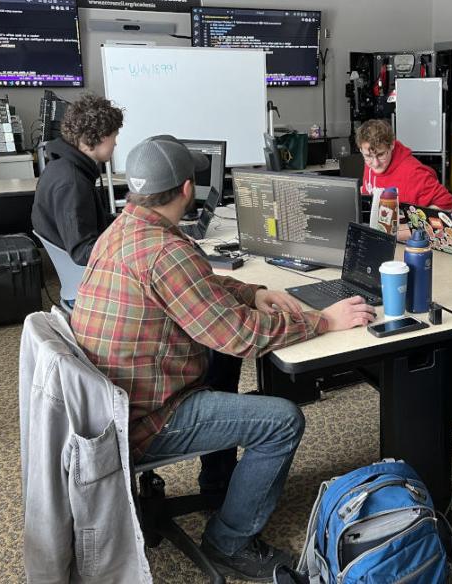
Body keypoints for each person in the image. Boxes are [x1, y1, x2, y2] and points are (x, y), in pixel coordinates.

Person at [70, 136, 376, 582]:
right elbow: (241, 335)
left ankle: (218, 486)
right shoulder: (164, 250)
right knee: (282, 420)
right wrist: (324, 322)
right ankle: (228, 541)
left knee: (223, 362)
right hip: (148, 418)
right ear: (187, 189)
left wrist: (254, 292)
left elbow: (198, 284)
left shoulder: (127, 230)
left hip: (114, 402)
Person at [31, 93, 124, 266]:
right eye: (114, 137)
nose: (115, 144)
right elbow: (83, 252)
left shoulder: (61, 166)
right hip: (87, 276)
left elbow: (89, 221)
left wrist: (128, 223)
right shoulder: (72, 183)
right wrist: (130, 246)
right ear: (101, 137)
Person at [356, 119, 452, 210]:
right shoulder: (370, 162)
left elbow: (447, 203)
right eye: (368, 156)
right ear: (361, 150)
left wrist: (416, 223)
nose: (375, 163)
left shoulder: (413, 173)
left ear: (391, 145)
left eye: (381, 155)